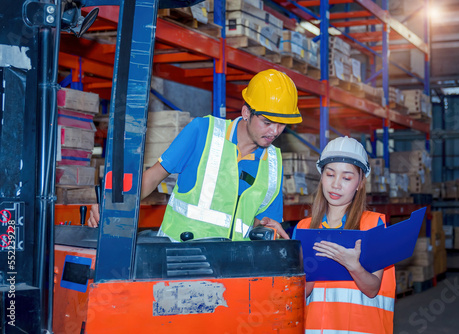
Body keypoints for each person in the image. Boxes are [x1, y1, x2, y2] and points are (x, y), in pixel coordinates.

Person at [87, 69, 301, 241]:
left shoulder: (274, 162)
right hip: (179, 261)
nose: (274, 131)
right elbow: (152, 178)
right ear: (246, 112)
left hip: (234, 269)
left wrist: (267, 226)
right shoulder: (203, 131)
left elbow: (259, 223)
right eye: (267, 122)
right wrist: (112, 204)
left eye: (282, 124)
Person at [294, 136, 396, 334]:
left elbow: (372, 289)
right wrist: (312, 269)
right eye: (330, 175)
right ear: (321, 177)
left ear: (359, 183)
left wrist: (354, 266)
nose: (336, 185)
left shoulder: (373, 226)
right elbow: (299, 295)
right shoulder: (304, 228)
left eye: (347, 178)